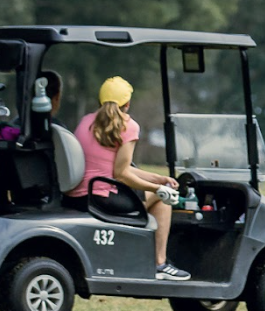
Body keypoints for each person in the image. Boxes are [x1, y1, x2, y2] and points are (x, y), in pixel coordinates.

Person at [68, 76, 189, 281]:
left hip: (79, 196)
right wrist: (159, 190)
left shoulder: (86, 120)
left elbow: (123, 169)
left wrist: (159, 179)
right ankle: (160, 264)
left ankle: (154, 260)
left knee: (156, 192)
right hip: (103, 198)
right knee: (162, 201)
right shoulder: (128, 126)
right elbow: (121, 174)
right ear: (127, 104)